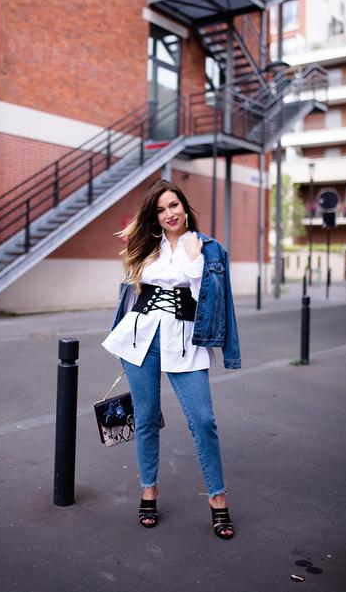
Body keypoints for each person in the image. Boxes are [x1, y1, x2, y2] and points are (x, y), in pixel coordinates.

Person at [101, 179, 241, 539]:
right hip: (140, 339)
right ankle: (149, 489)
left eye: (173, 206)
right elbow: (131, 292)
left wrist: (195, 263)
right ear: (155, 215)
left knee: (203, 421)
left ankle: (218, 497)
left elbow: (213, 298)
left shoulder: (206, 247)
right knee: (145, 418)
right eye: (161, 209)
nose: (169, 214)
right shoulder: (147, 245)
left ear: (184, 206)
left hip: (186, 342)